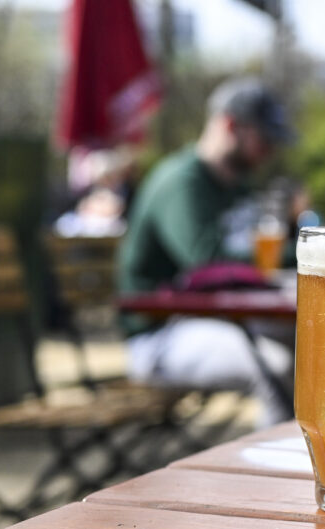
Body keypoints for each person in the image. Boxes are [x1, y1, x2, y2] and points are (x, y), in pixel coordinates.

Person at [118, 78, 295, 426]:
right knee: (277, 365)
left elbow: (253, 262)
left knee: (318, 343)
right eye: (265, 139)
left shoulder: (236, 185)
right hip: (159, 336)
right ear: (230, 125)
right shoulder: (181, 182)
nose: (270, 151)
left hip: (217, 320)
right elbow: (208, 262)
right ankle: (273, 478)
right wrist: (300, 255)